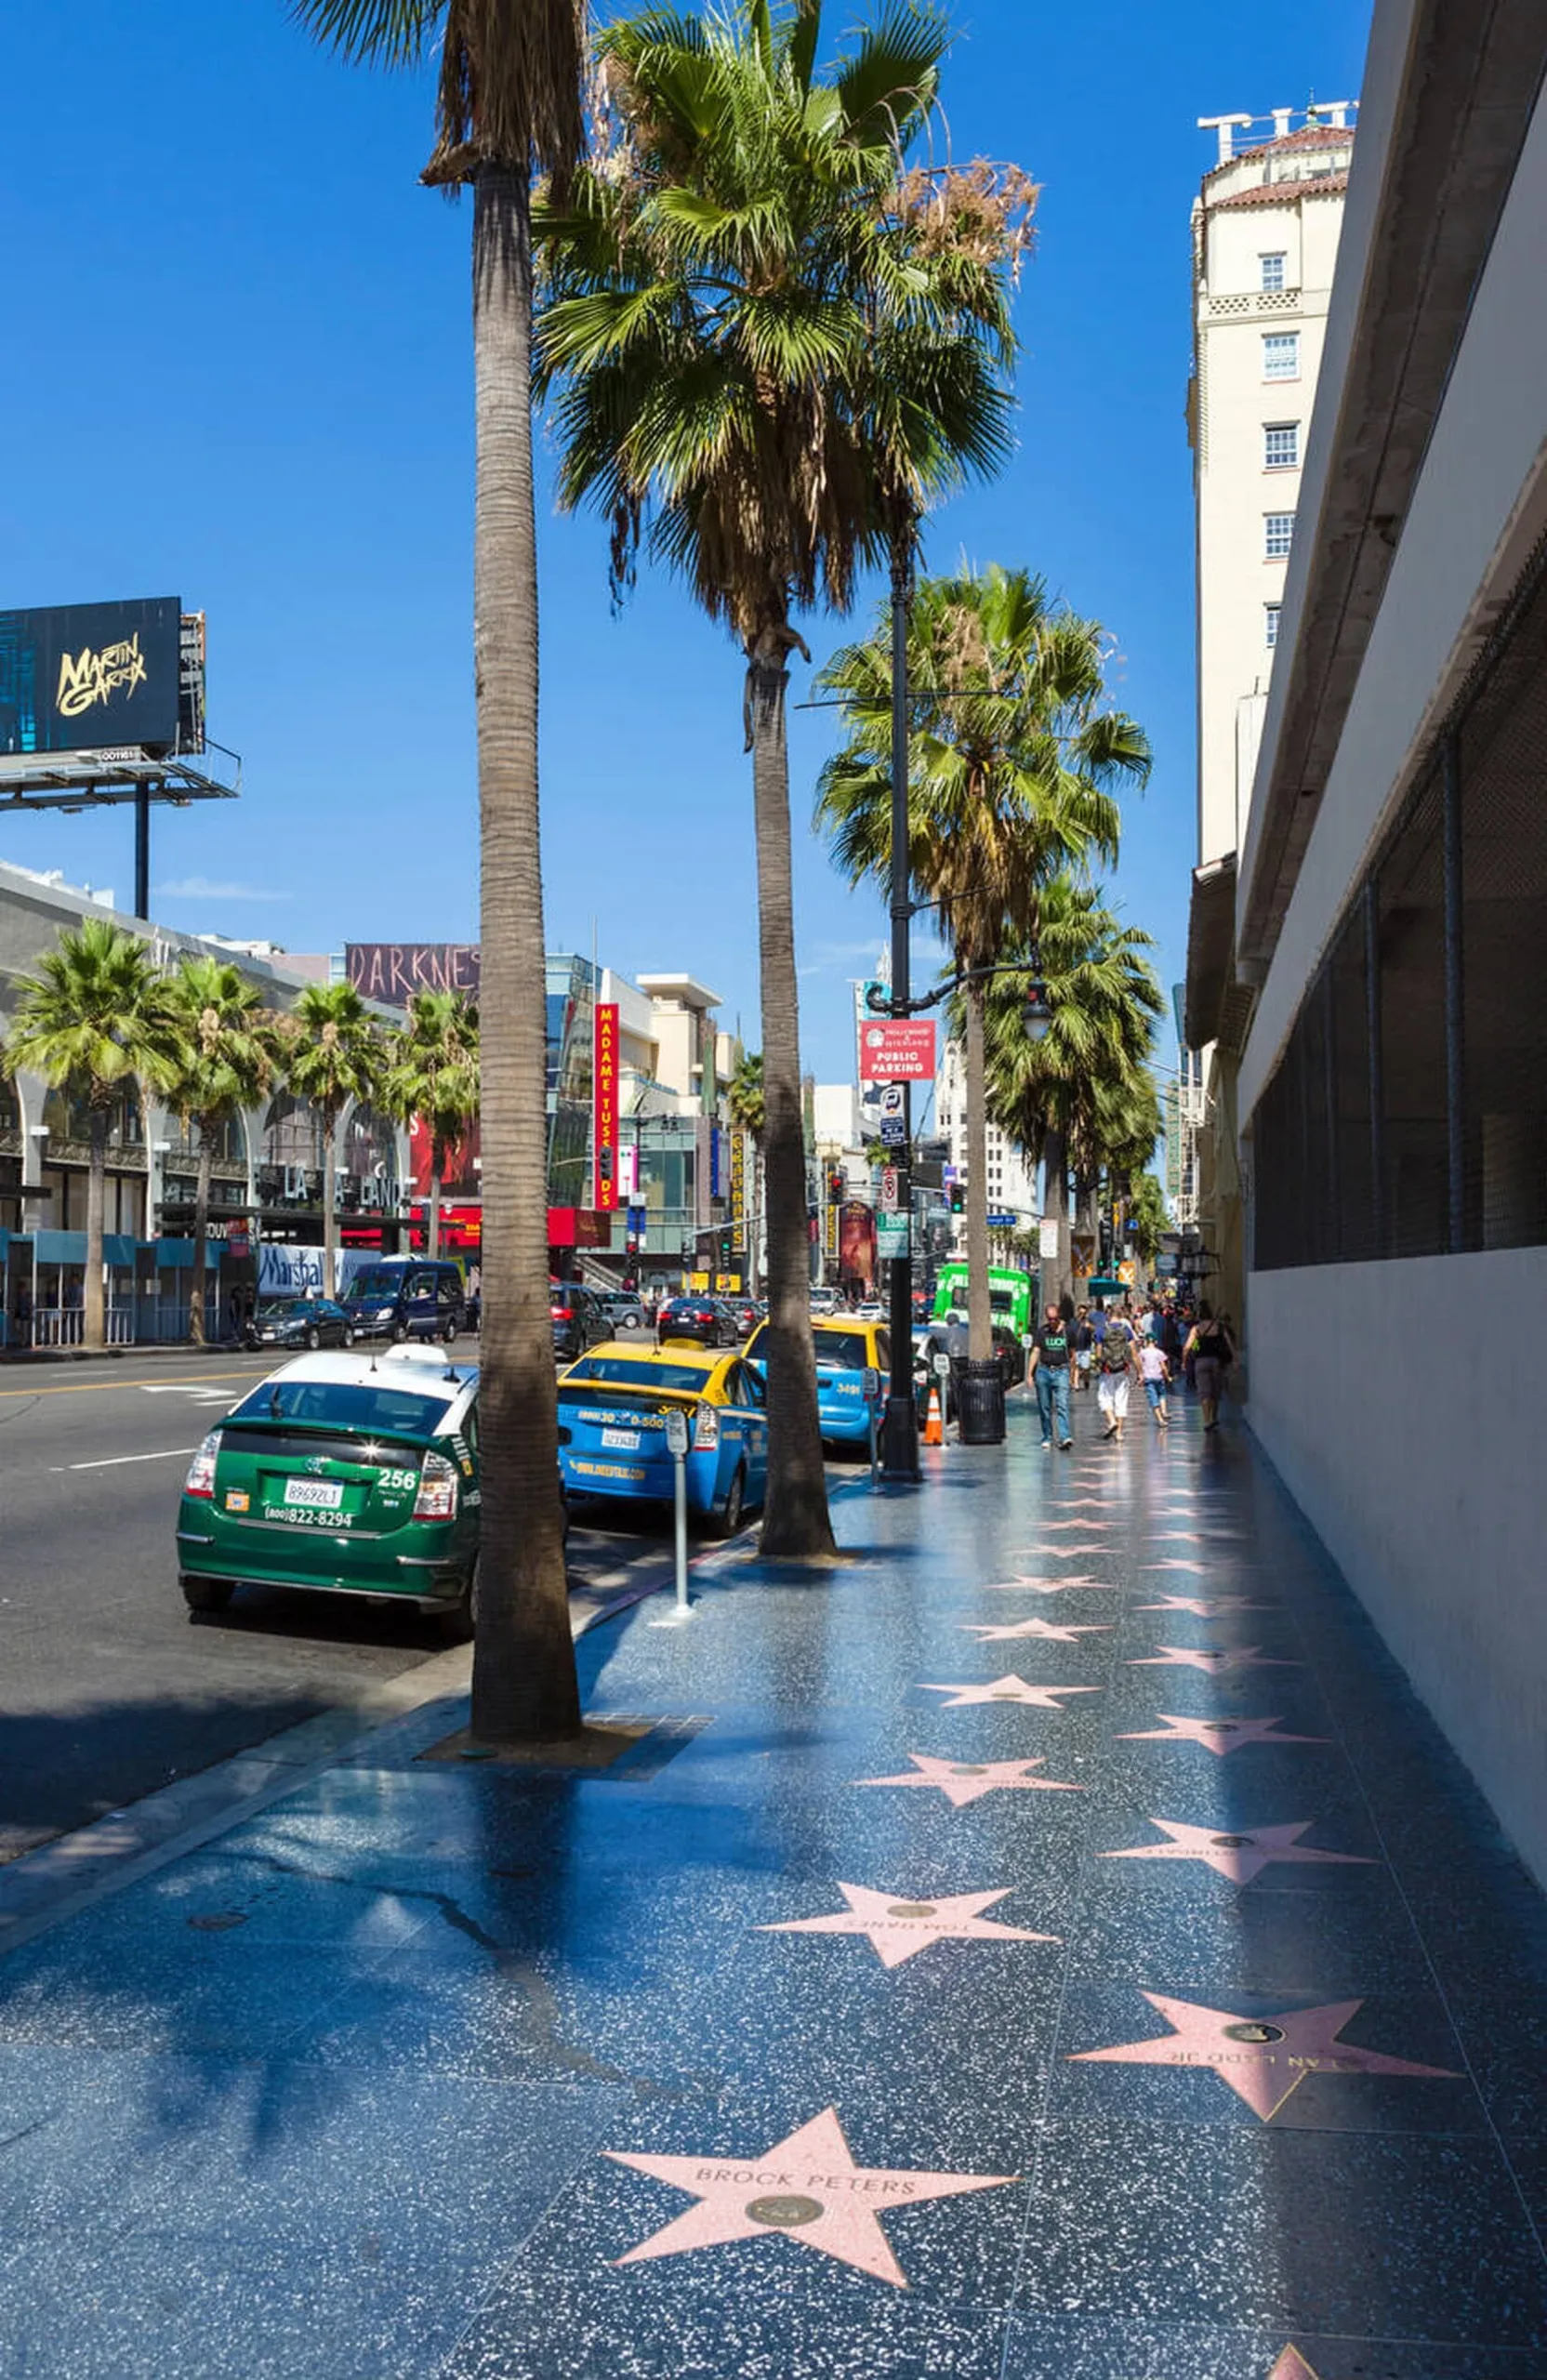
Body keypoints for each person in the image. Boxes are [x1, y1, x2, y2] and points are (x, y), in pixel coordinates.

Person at [1028, 1302, 1075, 1451]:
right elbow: (1035, 1352)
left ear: (1059, 1316)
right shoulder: (1042, 1332)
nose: (1052, 1322)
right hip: (1043, 1371)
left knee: (1062, 1404)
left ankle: (1064, 1437)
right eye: (1049, 1319)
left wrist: (1073, 1375)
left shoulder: (1068, 1331)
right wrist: (1029, 1374)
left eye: (1054, 1318)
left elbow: (1073, 1355)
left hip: (1061, 1370)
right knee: (1044, 1407)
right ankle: (1047, 1436)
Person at [1184, 1302, 1237, 1430]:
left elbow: (1188, 1347)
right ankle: (1214, 1417)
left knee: (1204, 1392)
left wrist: (1184, 1360)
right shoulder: (1219, 1327)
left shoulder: (1196, 1329)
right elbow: (1229, 1344)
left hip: (1200, 1362)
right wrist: (1235, 1359)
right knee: (1215, 1391)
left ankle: (1207, 1420)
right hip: (1216, 1361)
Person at [1097, 1301, 1137, 1441]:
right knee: (1121, 1400)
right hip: (1122, 1369)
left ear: (1109, 1314)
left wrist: (1098, 1364)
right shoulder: (1126, 1330)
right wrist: (1140, 1372)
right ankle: (1119, 1433)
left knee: (1104, 1397)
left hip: (1107, 1370)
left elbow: (1098, 1353)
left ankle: (1111, 1420)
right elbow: (1133, 1352)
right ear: (1121, 1314)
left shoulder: (1101, 1330)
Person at [1139, 1332, 1170, 1427]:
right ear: (1156, 1342)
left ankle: (1160, 1420)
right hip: (1159, 1377)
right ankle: (1164, 1412)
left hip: (1148, 1378)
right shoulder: (1159, 1352)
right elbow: (1164, 1367)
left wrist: (1140, 1378)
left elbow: (1139, 1366)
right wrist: (1167, 1376)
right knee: (1162, 1394)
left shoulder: (1142, 1353)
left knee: (1154, 1400)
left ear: (1145, 1342)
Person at [1073, 1303, 1093, 1393]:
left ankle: (1086, 1381)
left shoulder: (1088, 1321)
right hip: (1076, 1347)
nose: (1082, 1315)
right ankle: (1076, 1385)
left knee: (1086, 1368)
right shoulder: (1073, 1321)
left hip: (1086, 1348)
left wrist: (1090, 1327)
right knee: (1076, 1366)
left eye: (1084, 1313)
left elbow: (1094, 1329)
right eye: (1080, 1313)